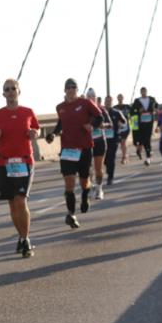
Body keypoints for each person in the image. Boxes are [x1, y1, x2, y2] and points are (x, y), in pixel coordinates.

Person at [0, 78, 40, 257]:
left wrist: (34, 134)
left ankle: (25, 239)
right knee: (12, 204)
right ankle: (21, 237)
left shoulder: (28, 112)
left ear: (19, 91)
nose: (10, 92)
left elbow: (37, 130)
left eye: (13, 88)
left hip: (24, 161)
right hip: (4, 163)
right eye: (7, 89)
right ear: (3, 94)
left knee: (20, 201)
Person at [46, 78, 103, 229]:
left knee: (84, 182)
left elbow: (100, 117)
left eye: (74, 87)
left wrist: (91, 126)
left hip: (84, 149)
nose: (71, 89)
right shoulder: (60, 107)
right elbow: (60, 123)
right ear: (64, 90)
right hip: (67, 150)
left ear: (77, 89)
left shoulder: (85, 103)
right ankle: (71, 214)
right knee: (69, 183)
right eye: (68, 87)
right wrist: (53, 134)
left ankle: (85, 196)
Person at [85, 88, 111, 199]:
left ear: (95, 98)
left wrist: (102, 125)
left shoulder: (101, 110)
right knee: (87, 169)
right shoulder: (83, 110)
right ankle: (90, 188)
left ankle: (99, 189)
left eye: (93, 97)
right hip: (86, 143)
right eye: (89, 97)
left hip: (99, 141)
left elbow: (110, 124)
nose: (91, 99)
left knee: (98, 169)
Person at [103, 95, 128, 186]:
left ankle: (110, 177)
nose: (108, 103)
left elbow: (124, 122)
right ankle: (108, 167)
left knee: (111, 157)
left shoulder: (117, 112)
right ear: (104, 102)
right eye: (106, 101)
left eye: (110, 101)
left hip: (114, 139)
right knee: (105, 159)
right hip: (103, 139)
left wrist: (120, 125)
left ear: (112, 102)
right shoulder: (101, 112)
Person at [131, 87, 158, 165]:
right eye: (142, 91)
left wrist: (155, 111)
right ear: (140, 92)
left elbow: (156, 106)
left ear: (146, 91)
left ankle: (148, 157)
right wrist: (138, 111)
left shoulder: (152, 99)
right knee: (141, 139)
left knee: (147, 139)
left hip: (149, 122)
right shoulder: (137, 101)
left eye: (144, 91)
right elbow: (132, 111)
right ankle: (139, 150)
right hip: (140, 123)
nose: (143, 93)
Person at [114, 93, 132, 164]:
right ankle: (125, 155)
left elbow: (133, 114)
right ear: (117, 99)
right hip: (118, 128)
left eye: (121, 97)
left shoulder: (127, 106)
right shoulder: (114, 107)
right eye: (119, 97)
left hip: (126, 127)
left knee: (123, 142)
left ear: (123, 98)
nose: (120, 99)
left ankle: (124, 157)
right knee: (120, 143)